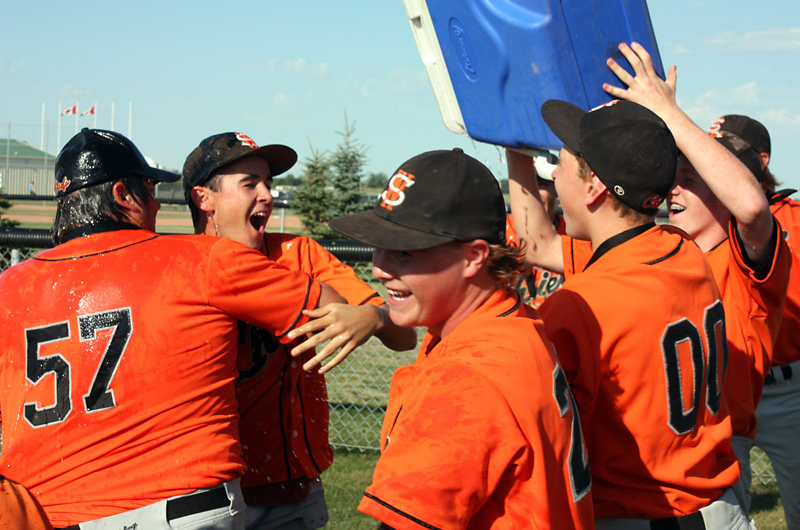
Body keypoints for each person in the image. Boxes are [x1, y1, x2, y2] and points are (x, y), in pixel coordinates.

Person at [0, 128, 343, 529]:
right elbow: (330, 306)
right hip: (183, 504)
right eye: (149, 190)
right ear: (123, 196)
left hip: (53, 513)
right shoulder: (199, 259)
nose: (158, 204)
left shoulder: (8, 287)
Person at [507, 98, 748, 527]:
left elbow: (548, 439)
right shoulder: (682, 249)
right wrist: (514, 155)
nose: (554, 175)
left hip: (642, 513)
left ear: (595, 188)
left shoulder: (579, 304)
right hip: (722, 509)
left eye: (561, 164)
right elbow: (545, 247)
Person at [328, 148, 595, 529]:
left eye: (403, 251)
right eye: (378, 246)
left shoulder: (465, 377)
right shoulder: (514, 320)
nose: (379, 268)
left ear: (473, 257)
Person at [182, 132, 417, 530]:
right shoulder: (177, 270)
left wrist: (375, 318)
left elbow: (404, 336)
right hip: (203, 492)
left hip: (290, 493)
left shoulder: (299, 255)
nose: (267, 195)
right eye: (250, 184)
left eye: (268, 183)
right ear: (204, 199)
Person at [603, 42, 791, 520]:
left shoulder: (747, 254)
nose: (675, 188)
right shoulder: (660, 247)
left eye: (692, 177)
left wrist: (669, 111)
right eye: (675, 176)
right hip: (670, 441)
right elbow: (542, 245)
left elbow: (752, 208)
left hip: (742, 423)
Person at [712, 113, 800, 527]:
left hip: (789, 389)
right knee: (728, 512)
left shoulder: (791, 217)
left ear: (760, 161)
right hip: (727, 392)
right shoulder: (704, 223)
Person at [505, 155, 568, 308]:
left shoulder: (573, 234)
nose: (533, 192)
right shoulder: (499, 232)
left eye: (541, 184)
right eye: (526, 184)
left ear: (557, 188)